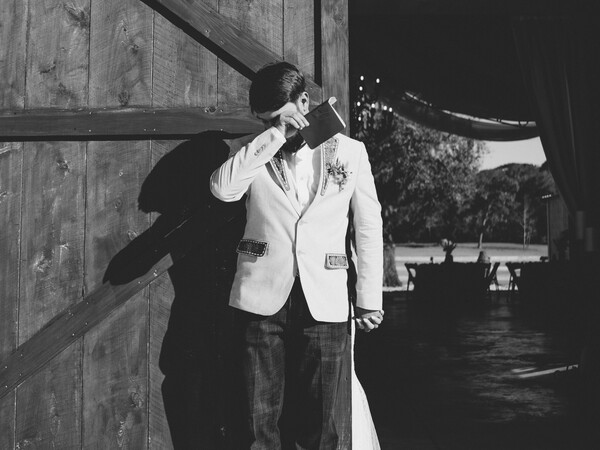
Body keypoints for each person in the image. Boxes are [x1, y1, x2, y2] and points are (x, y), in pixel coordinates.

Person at [210, 61, 384, 449]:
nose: (276, 126)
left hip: (325, 300)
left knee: (321, 428)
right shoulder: (253, 151)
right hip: (260, 301)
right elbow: (223, 190)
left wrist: (369, 297)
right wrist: (274, 134)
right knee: (256, 427)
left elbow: (368, 227)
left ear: (304, 102)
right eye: (266, 120)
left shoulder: (351, 152)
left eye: (282, 116)